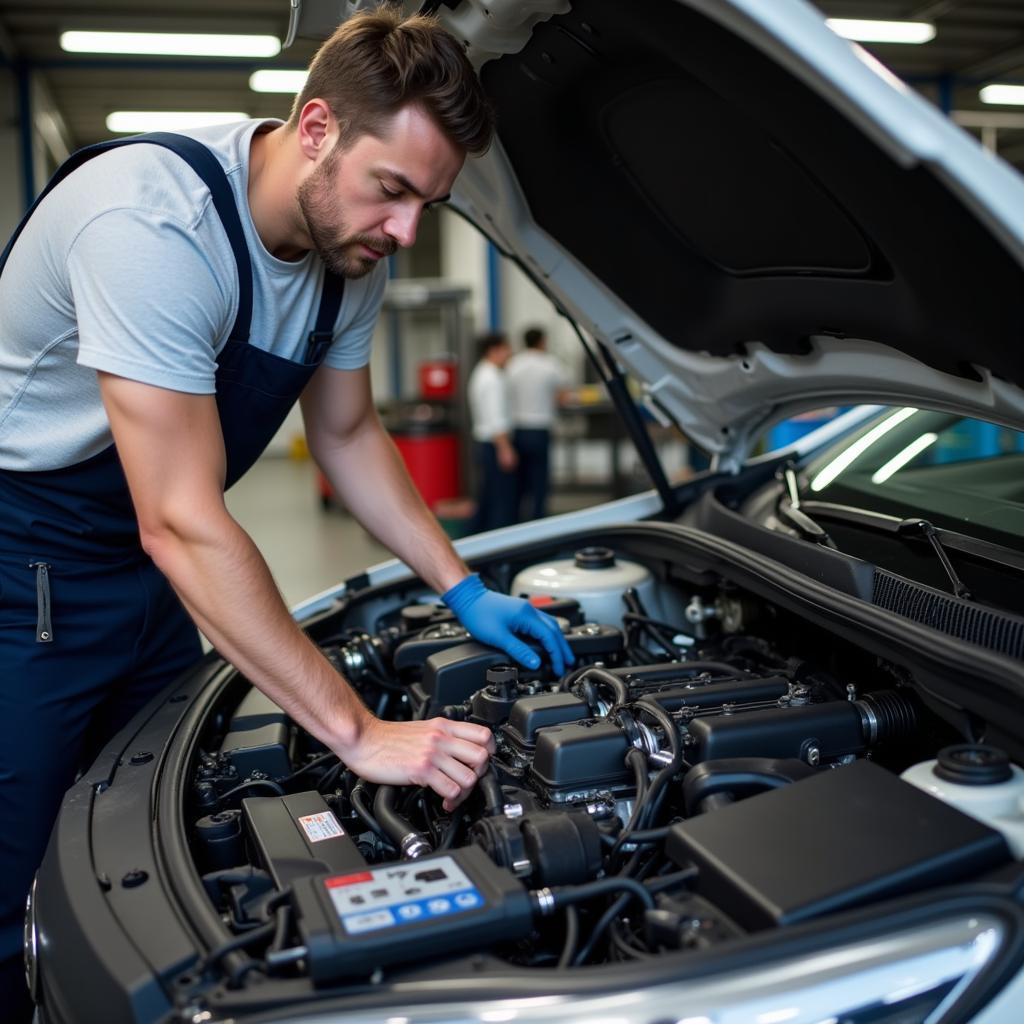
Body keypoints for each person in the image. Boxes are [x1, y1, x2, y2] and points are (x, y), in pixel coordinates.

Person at [0, 10, 572, 1016]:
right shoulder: (148, 225)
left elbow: (349, 436)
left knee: (164, 812)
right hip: (22, 567)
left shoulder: (345, 257)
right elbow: (179, 520)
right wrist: (358, 732)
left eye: (425, 205)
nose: (402, 231)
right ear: (316, 128)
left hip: (146, 565)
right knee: (15, 866)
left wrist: (462, 583)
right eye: (391, 190)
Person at [507, 325, 569, 520]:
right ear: (542, 341)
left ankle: (517, 521)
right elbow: (562, 396)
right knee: (540, 480)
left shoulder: (513, 364)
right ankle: (539, 520)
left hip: (518, 428)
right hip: (540, 428)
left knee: (520, 481)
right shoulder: (550, 364)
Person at [467, 331, 518, 531]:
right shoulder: (491, 379)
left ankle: (477, 539)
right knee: (501, 501)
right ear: (493, 350)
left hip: (488, 444)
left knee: (488, 498)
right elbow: (496, 418)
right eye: (506, 348)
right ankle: (500, 548)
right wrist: (505, 450)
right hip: (494, 445)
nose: (509, 353)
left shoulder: (483, 372)